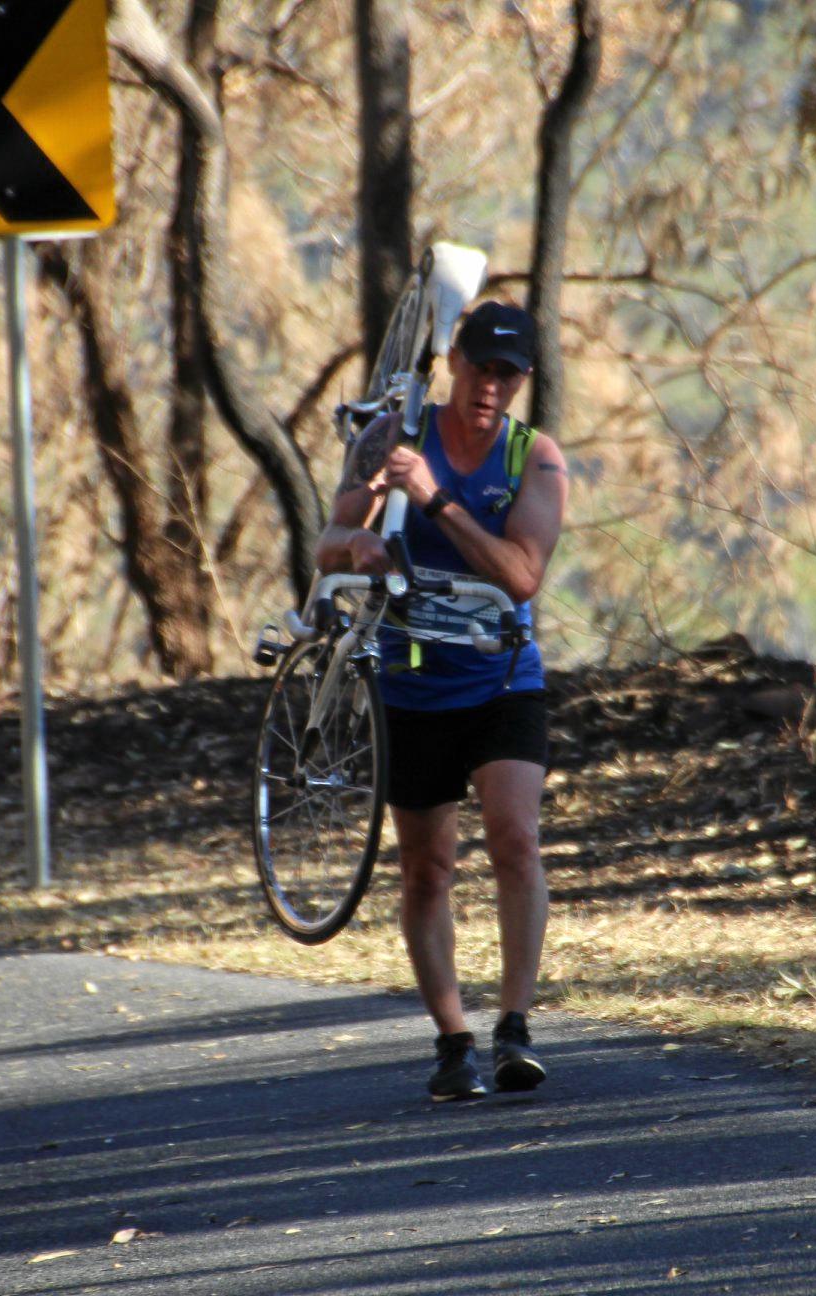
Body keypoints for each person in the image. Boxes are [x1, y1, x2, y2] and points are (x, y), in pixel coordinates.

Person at [315, 301, 570, 1100]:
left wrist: (433, 500)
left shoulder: (537, 460)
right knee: (426, 868)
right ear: (452, 363)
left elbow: (522, 575)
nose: (490, 387)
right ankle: (454, 1040)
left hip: (500, 678)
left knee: (515, 839)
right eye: (480, 367)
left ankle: (515, 1028)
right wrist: (358, 543)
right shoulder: (391, 437)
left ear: (522, 381)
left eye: (508, 374)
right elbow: (327, 544)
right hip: (411, 680)